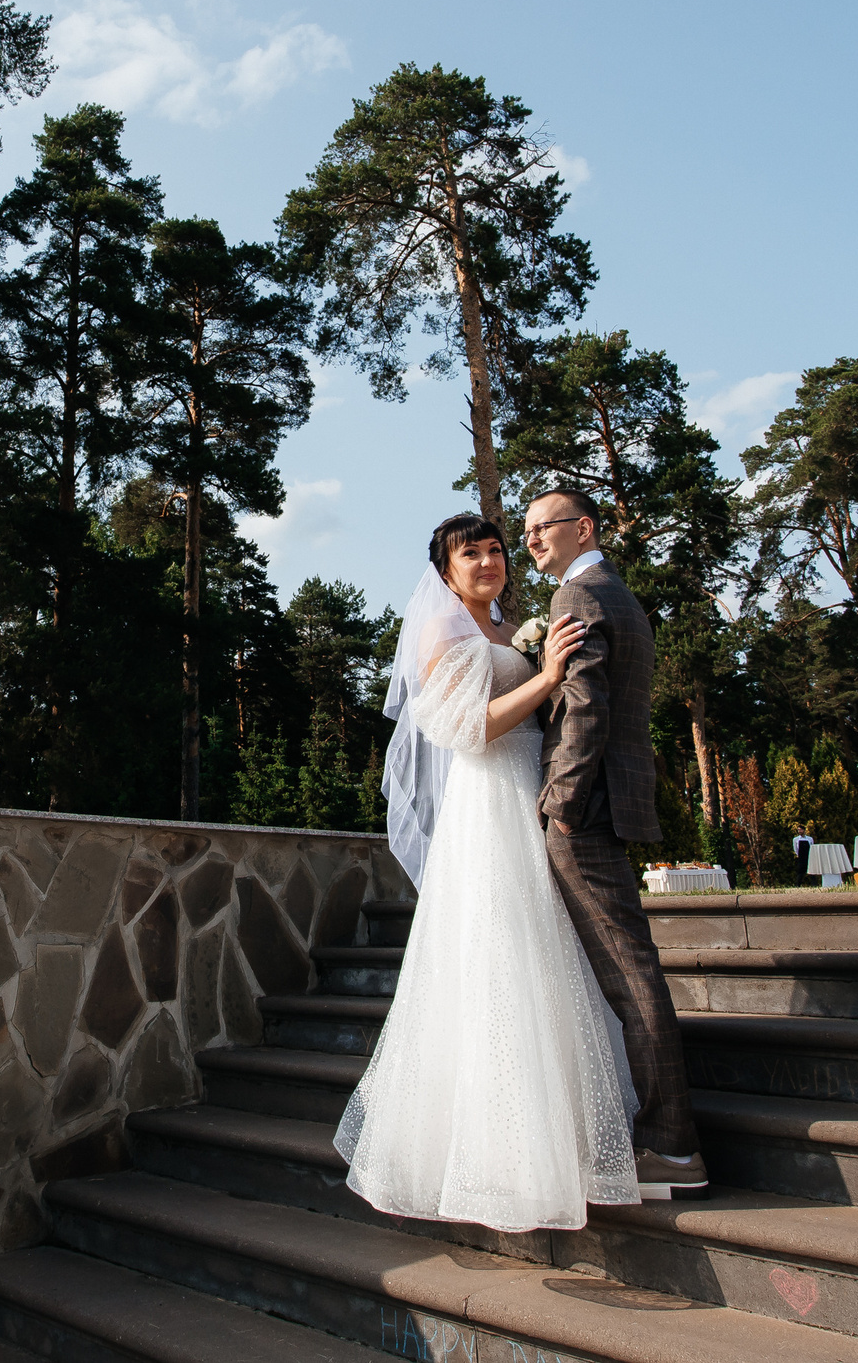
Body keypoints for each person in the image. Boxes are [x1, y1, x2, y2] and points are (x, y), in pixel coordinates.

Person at [332, 513, 640, 1229]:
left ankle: (569, 1137)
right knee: (504, 954)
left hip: (533, 787)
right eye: (470, 553)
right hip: (490, 799)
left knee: (552, 953)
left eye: (496, 550)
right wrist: (548, 675)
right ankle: (507, 1162)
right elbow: (463, 728)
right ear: (445, 571)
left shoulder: (506, 627)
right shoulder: (441, 631)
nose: (488, 562)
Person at [521, 485, 709, 1199]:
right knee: (630, 970)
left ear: (585, 528)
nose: (532, 539)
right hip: (610, 803)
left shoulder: (580, 596)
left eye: (544, 526)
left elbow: (586, 709)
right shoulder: (615, 592)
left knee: (630, 976)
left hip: (587, 810)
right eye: (527, 530)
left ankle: (672, 1148)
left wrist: (562, 804)